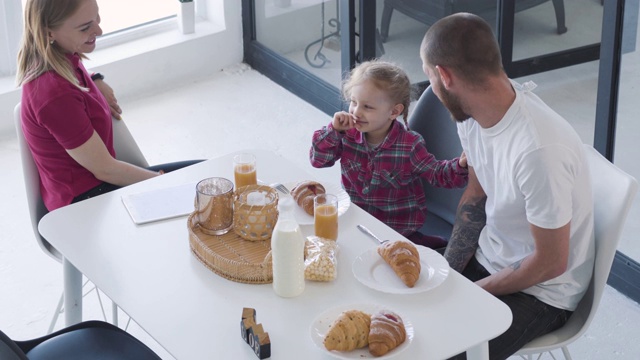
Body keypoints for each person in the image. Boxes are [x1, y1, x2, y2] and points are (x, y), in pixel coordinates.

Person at [420, 13, 595, 360]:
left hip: (541, 293)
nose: (432, 90)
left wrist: (471, 292)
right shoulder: (472, 114)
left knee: (434, 351)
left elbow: (550, 263)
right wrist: (448, 276)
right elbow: (475, 195)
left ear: (444, 76)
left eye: (429, 77)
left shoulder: (539, 151)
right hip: (491, 258)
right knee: (399, 311)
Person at [16, 0, 201, 211]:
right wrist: (164, 183)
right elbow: (106, 170)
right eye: (86, 27)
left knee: (212, 178)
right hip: (85, 205)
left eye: (97, 17)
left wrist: (94, 78)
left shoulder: (61, 58)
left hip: (100, 186)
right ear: (49, 33)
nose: (99, 30)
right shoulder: (54, 95)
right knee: (210, 191)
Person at [310, 60, 469, 249]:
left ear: (394, 111)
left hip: (397, 229)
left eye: (367, 107)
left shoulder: (410, 145)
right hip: (357, 220)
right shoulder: (345, 134)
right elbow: (318, 161)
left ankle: (420, 242)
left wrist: (460, 166)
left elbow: (438, 174)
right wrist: (333, 131)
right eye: (353, 102)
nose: (356, 112)